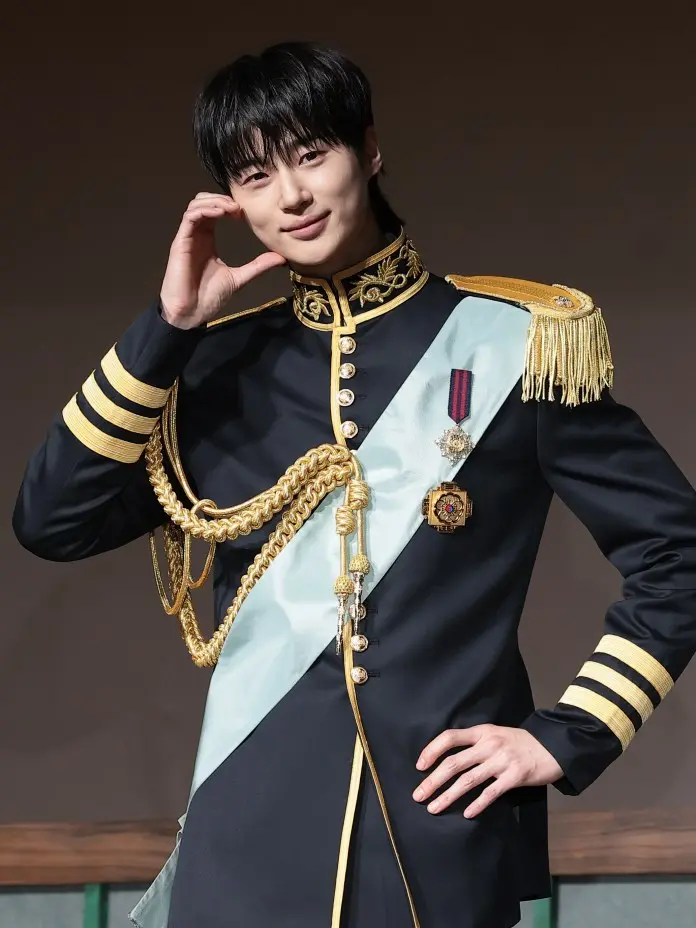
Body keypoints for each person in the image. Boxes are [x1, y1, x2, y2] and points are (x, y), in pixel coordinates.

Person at [12, 40, 696, 928]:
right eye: (255, 176)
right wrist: (166, 330)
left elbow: (678, 552)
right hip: (249, 843)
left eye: (309, 155)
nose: (290, 196)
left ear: (368, 150)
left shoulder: (513, 344)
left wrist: (566, 735)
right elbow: (51, 519)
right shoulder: (217, 366)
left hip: (435, 845)